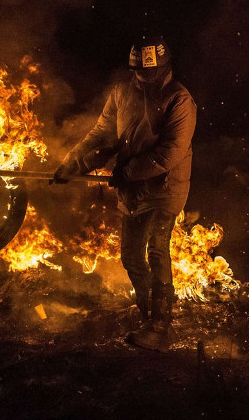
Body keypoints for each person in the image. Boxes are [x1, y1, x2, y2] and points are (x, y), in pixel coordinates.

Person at [52, 37, 196, 352]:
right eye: (139, 72)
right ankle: (149, 315)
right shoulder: (122, 92)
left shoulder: (179, 100)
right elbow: (101, 134)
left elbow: (170, 153)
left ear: (165, 66)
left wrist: (127, 172)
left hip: (165, 187)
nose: (144, 78)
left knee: (157, 250)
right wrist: (72, 164)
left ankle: (160, 326)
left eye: (151, 72)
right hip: (132, 189)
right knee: (131, 257)